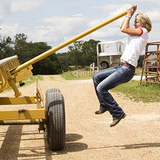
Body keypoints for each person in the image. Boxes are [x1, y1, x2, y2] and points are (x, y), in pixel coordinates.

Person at [92, 4, 152, 127]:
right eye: (134, 22)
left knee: (101, 88)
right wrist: (129, 14)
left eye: (137, 22)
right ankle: (104, 105)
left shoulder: (143, 32)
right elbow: (123, 27)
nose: (134, 24)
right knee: (96, 77)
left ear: (143, 23)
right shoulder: (135, 34)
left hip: (127, 69)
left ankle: (117, 113)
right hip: (121, 66)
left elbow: (124, 29)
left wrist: (129, 15)